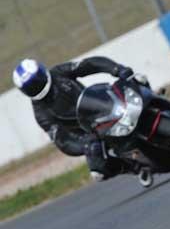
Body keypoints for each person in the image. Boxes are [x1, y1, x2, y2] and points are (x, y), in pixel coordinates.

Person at [12, 57, 153, 186]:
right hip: (93, 132)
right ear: (25, 91)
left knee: (137, 80)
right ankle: (136, 168)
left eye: (37, 78)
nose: (37, 84)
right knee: (98, 173)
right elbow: (62, 141)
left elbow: (89, 64)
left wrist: (117, 69)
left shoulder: (58, 72)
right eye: (31, 86)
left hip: (102, 103)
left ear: (42, 70)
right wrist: (84, 145)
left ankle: (156, 102)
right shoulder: (41, 114)